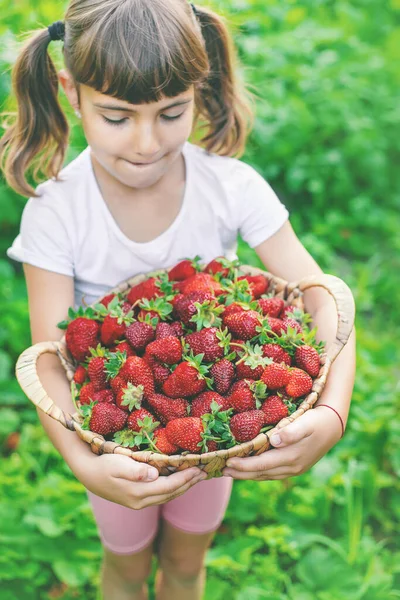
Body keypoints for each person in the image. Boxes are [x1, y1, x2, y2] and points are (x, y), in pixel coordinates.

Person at [1, 1, 356, 599]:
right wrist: (85, 465)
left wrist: (333, 413)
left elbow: (326, 298)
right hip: (114, 448)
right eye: (117, 116)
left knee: (189, 565)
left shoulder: (231, 186)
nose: (146, 141)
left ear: (201, 88)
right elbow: (46, 359)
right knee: (126, 568)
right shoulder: (57, 214)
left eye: (172, 113)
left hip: (216, 436)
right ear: (71, 91)